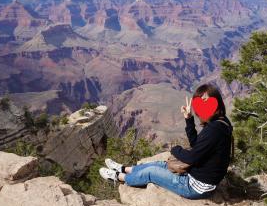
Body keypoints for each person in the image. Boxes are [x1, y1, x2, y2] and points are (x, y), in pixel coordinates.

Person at [99, 83, 233, 199]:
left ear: (217, 102)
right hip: (198, 175)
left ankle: (118, 177)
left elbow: (191, 158)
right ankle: (124, 168)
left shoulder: (215, 129)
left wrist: (175, 149)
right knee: (161, 164)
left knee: (151, 172)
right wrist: (188, 118)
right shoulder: (221, 122)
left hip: (196, 187)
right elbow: (196, 145)